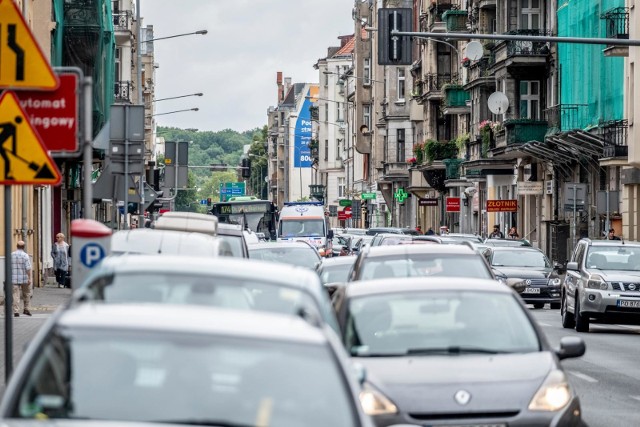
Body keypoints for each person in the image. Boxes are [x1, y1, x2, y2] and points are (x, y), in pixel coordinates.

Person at [11, 240, 32, 317]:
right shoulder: (25, 255)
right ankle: (26, 309)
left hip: (14, 278)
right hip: (24, 278)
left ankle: (16, 311)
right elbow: (28, 268)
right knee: (26, 294)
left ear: (16, 246)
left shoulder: (11, 255)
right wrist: (29, 278)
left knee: (15, 295)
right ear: (24, 247)